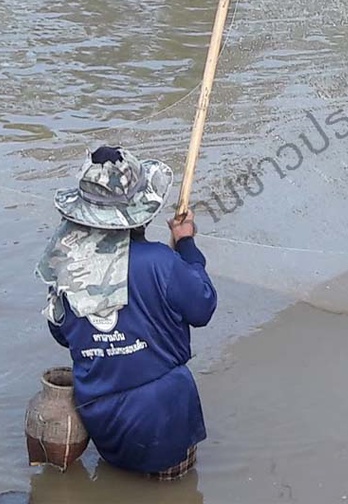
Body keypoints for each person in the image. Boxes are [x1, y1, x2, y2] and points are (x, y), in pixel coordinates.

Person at [37, 147, 217, 481]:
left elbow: (61, 333)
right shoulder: (160, 262)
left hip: (103, 422)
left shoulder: (65, 267)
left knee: (117, 480)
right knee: (174, 492)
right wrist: (186, 244)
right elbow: (203, 306)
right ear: (142, 213)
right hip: (163, 419)